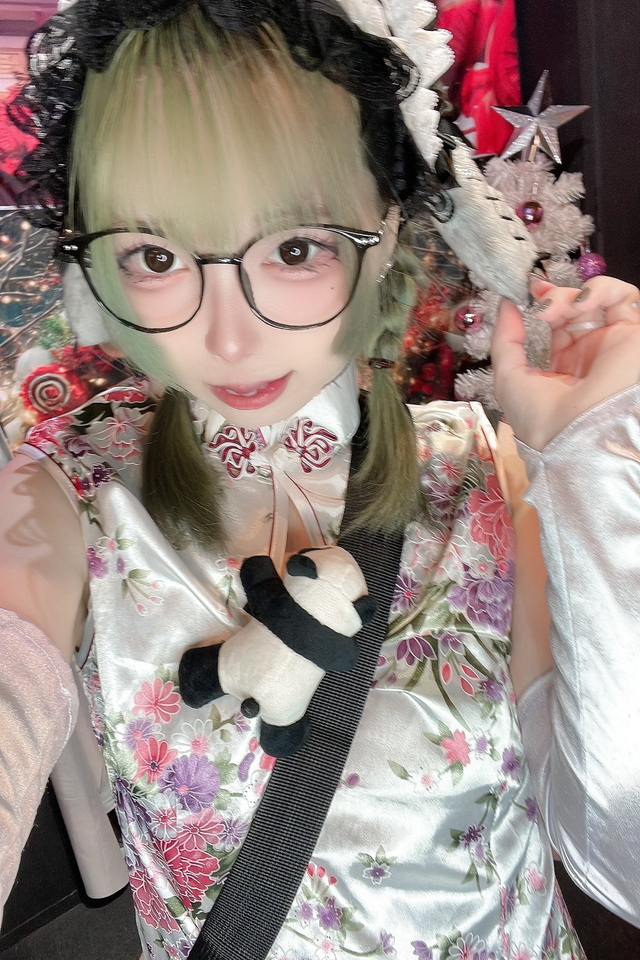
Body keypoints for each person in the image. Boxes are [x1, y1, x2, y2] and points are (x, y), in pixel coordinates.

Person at [0, 2, 639, 958]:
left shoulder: (485, 478)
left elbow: (622, 854)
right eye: (156, 256)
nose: (227, 339)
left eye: (294, 248)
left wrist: (595, 457)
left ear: (385, 230)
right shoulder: (69, 497)